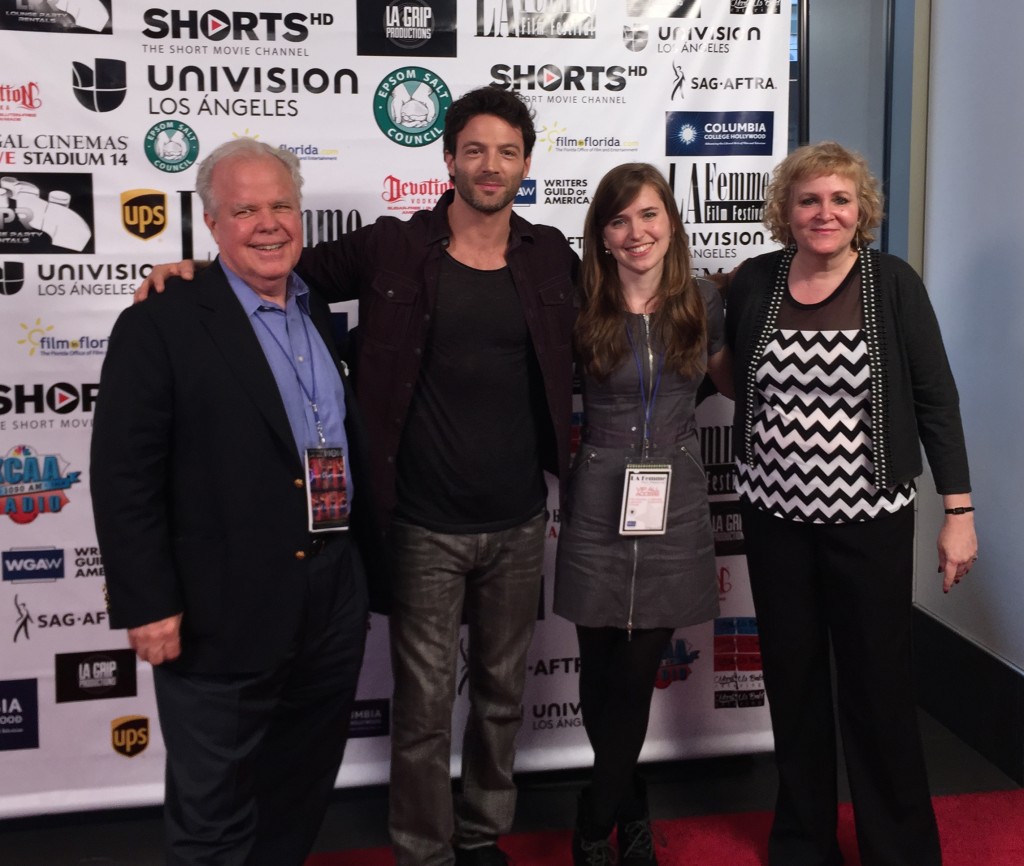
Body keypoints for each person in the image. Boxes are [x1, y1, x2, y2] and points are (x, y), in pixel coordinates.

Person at [135, 86, 578, 866]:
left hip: (518, 522)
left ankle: (480, 837)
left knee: (505, 700)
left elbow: (620, 315)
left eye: (507, 151)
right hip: (419, 525)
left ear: (527, 165)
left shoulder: (551, 258)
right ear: (447, 160)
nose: (490, 164)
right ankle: (423, 849)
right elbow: (269, 271)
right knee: (424, 707)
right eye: (473, 149)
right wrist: (194, 271)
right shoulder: (390, 248)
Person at [91, 138, 373, 866]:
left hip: (330, 592)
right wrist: (146, 602)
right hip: (220, 605)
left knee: (299, 785)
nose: (267, 223)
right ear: (212, 224)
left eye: (281, 205)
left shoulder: (318, 313)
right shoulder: (162, 320)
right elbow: (124, 475)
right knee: (213, 806)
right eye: (244, 210)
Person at [723, 141, 977, 866]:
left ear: (861, 209)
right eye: (809, 200)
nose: (824, 213)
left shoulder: (890, 283)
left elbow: (937, 401)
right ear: (787, 211)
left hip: (869, 522)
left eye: (839, 200)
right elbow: (731, 371)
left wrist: (958, 514)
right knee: (793, 685)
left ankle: (896, 847)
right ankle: (803, 841)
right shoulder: (758, 282)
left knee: (878, 689)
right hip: (774, 518)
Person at [553, 163, 730, 866]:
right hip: (598, 492)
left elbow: (736, 378)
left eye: (649, 215)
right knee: (597, 666)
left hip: (676, 495)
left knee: (635, 670)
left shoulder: (705, 301)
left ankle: (594, 816)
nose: (637, 232)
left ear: (671, 223)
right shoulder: (576, 302)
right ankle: (631, 804)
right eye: (620, 220)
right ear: (601, 234)